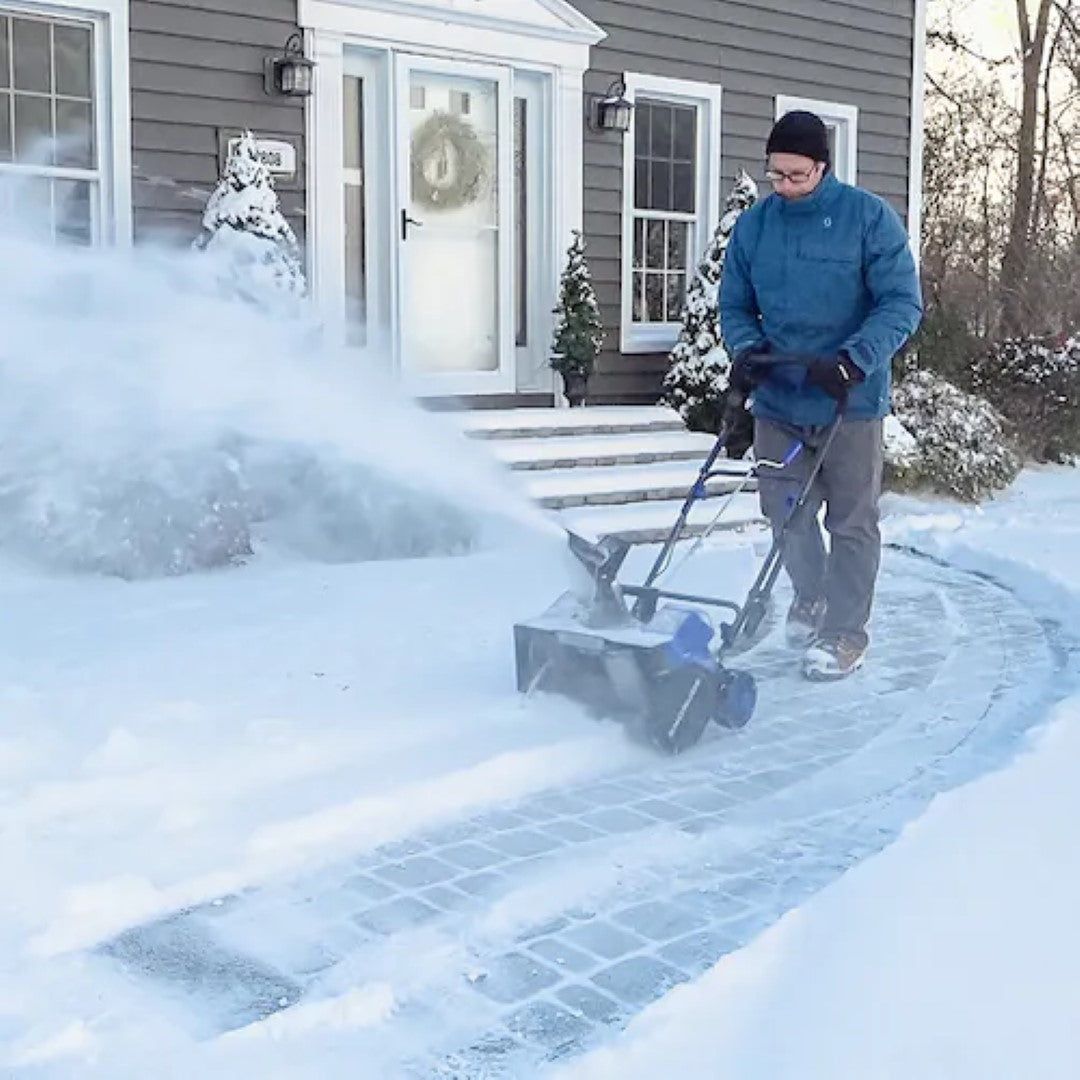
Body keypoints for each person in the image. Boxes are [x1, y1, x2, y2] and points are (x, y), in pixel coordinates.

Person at [719, 110, 923, 680]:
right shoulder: (756, 227)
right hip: (780, 397)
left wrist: (855, 359)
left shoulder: (867, 219)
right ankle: (811, 595)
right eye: (775, 175)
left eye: (796, 176)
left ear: (823, 167)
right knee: (784, 511)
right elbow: (733, 304)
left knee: (852, 523)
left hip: (848, 402)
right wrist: (748, 348)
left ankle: (844, 635)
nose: (783, 186)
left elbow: (902, 304)